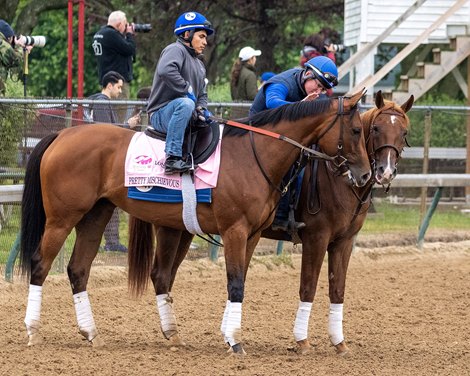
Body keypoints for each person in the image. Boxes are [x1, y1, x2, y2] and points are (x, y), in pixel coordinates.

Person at [250, 56, 339, 231]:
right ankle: (277, 216)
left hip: (281, 136)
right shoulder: (282, 83)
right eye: (318, 85)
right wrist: (301, 105)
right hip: (256, 134)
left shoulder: (310, 92)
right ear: (307, 74)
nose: (319, 92)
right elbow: (272, 102)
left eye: (322, 89)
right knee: (291, 164)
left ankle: (291, 214)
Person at [147, 11, 214, 175]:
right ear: (186, 34)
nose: (205, 42)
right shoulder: (175, 49)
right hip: (160, 114)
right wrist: (187, 89)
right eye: (201, 36)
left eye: (206, 38)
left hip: (185, 112)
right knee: (186, 103)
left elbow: (202, 94)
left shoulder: (200, 64)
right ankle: (172, 158)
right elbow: (165, 70)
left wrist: (201, 109)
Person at [85, 71, 140, 253]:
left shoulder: (99, 101)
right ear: (109, 85)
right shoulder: (101, 102)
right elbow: (106, 132)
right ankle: (111, 242)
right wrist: (127, 126)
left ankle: (111, 241)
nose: (119, 91)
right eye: (118, 87)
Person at [92, 10, 136, 122]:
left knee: (107, 115)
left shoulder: (99, 34)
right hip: (118, 82)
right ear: (119, 24)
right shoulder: (112, 34)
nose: (126, 27)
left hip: (106, 81)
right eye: (125, 25)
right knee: (118, 116)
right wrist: (130, 34)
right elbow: (129, 49)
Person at [0, 19, 33, 95]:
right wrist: (20, 47)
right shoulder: (1, 43)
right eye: (12, 38)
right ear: (8, 38)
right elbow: (15, 60)